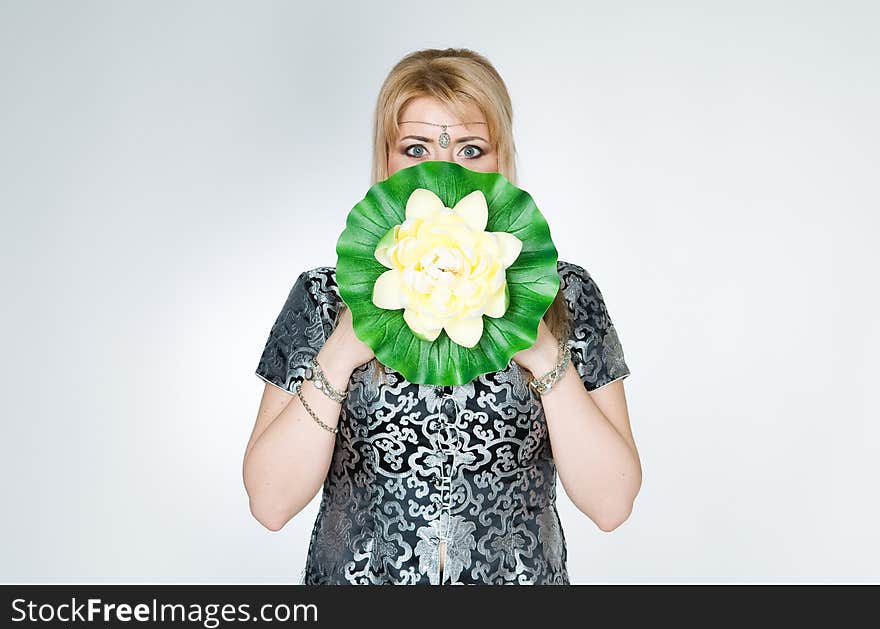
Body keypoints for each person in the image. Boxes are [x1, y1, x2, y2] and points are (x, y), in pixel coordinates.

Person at [242, 47, 642, 585]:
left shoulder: (563, 293)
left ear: (502, 160)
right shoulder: (324, 296)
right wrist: (340, 352)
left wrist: (543, 352)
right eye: (416, 147)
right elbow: (269, 504)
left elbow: (611, 504)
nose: (443, 169)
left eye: (472, 148)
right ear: (386, 160)